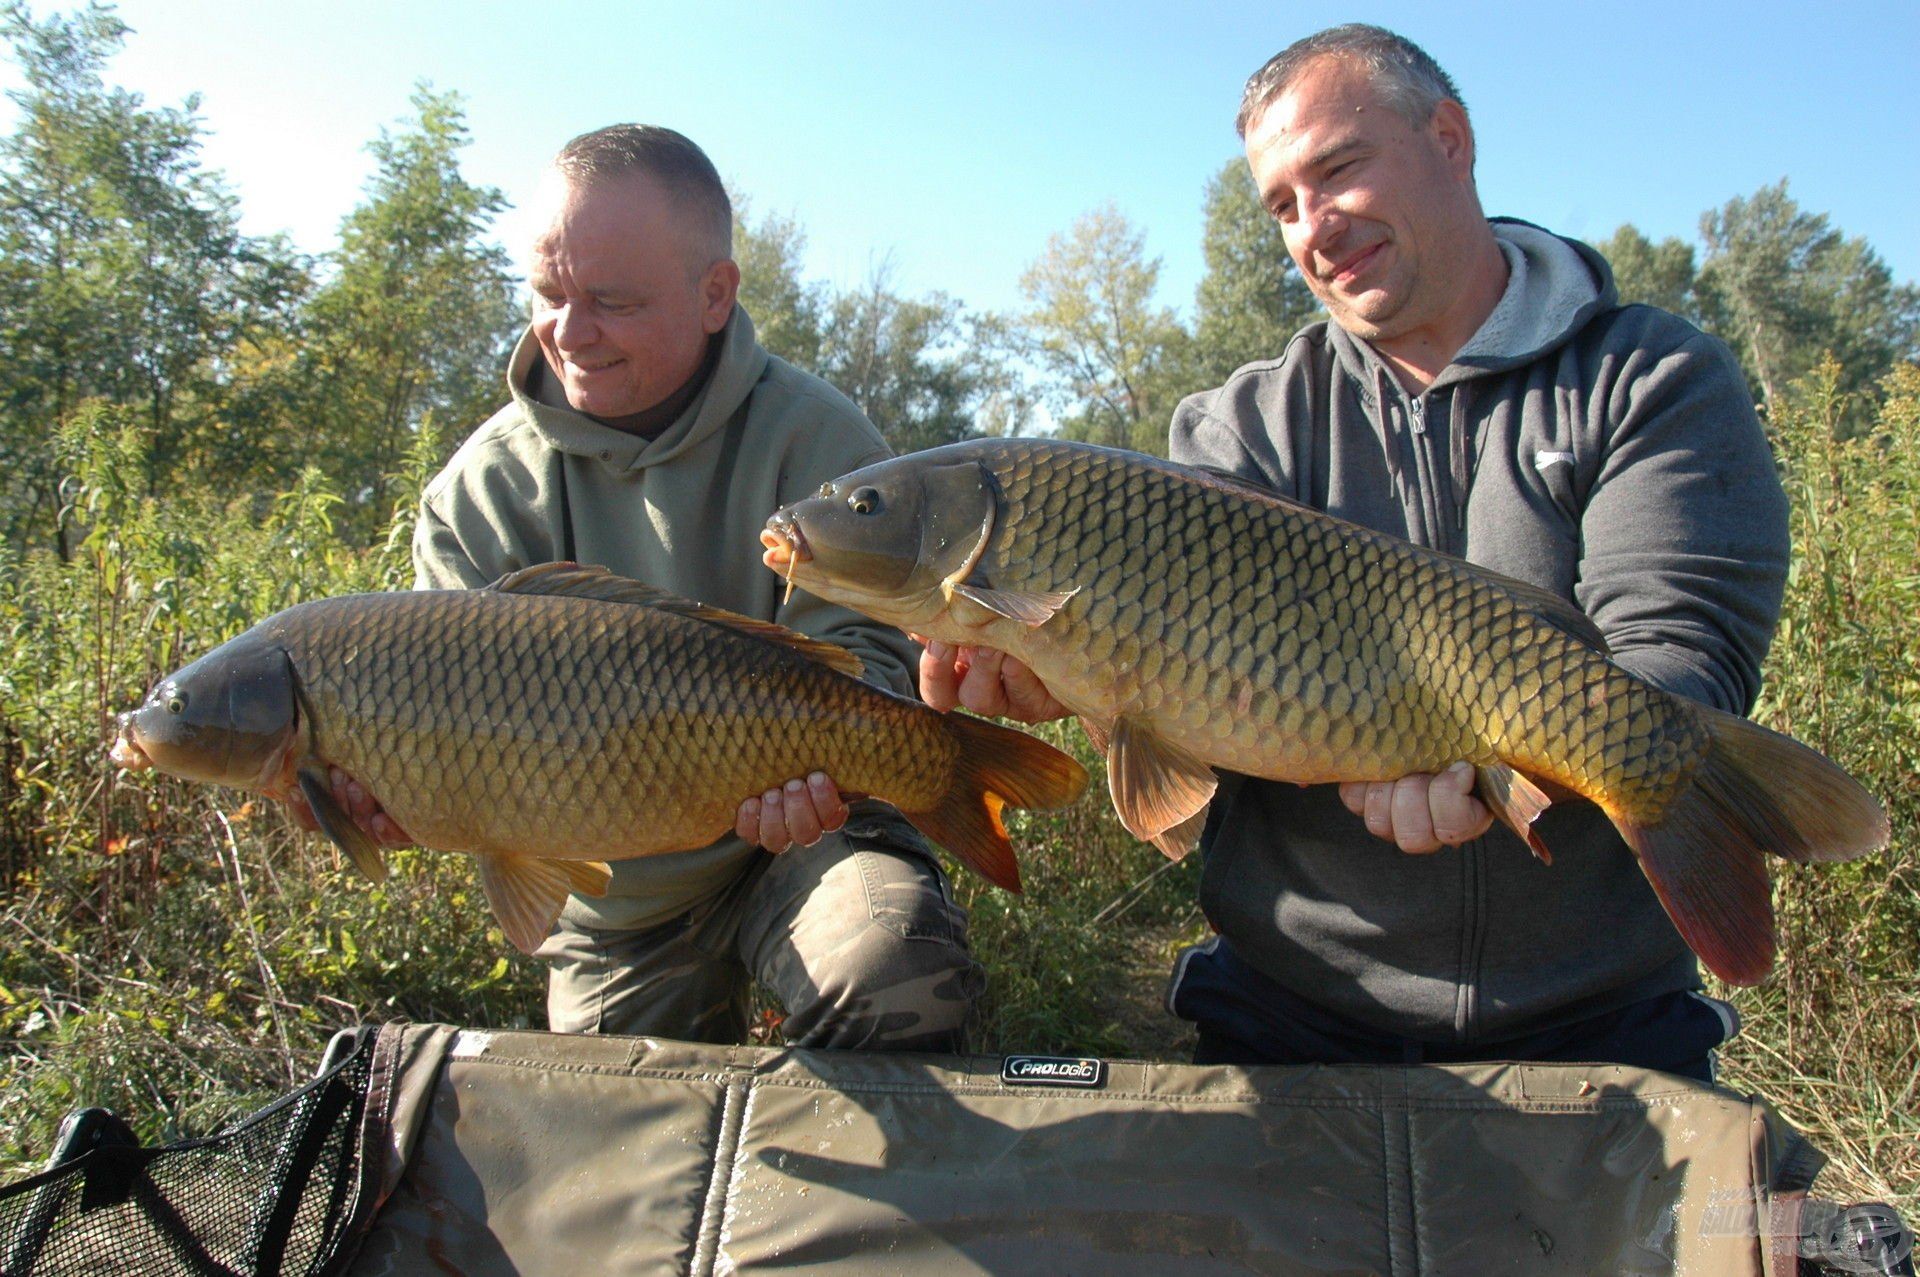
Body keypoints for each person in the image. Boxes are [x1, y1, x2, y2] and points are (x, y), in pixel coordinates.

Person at [921, 25, 1786, 1082]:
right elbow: (1182, 705)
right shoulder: (1239, 431)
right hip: (1298, 1006)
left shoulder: (1646, 376)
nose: (1312, 227)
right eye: (1281, 204)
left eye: (1337, 171)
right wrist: (1068, 679)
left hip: (1596, 1013)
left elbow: (1679, 650)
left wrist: (1520, 763)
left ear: (1451, 140)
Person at [294, 124, 981, 1052]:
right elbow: (436, 743)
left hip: (810, 840)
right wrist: (397, 805)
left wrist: (829, 775)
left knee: (894, 971)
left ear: (713, 295)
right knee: (616, 1138)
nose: (571, 333)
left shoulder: (820, 445)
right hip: (614, 898)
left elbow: (872, 665)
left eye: (611, 301)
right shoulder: (478, 493)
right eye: (548, 294)